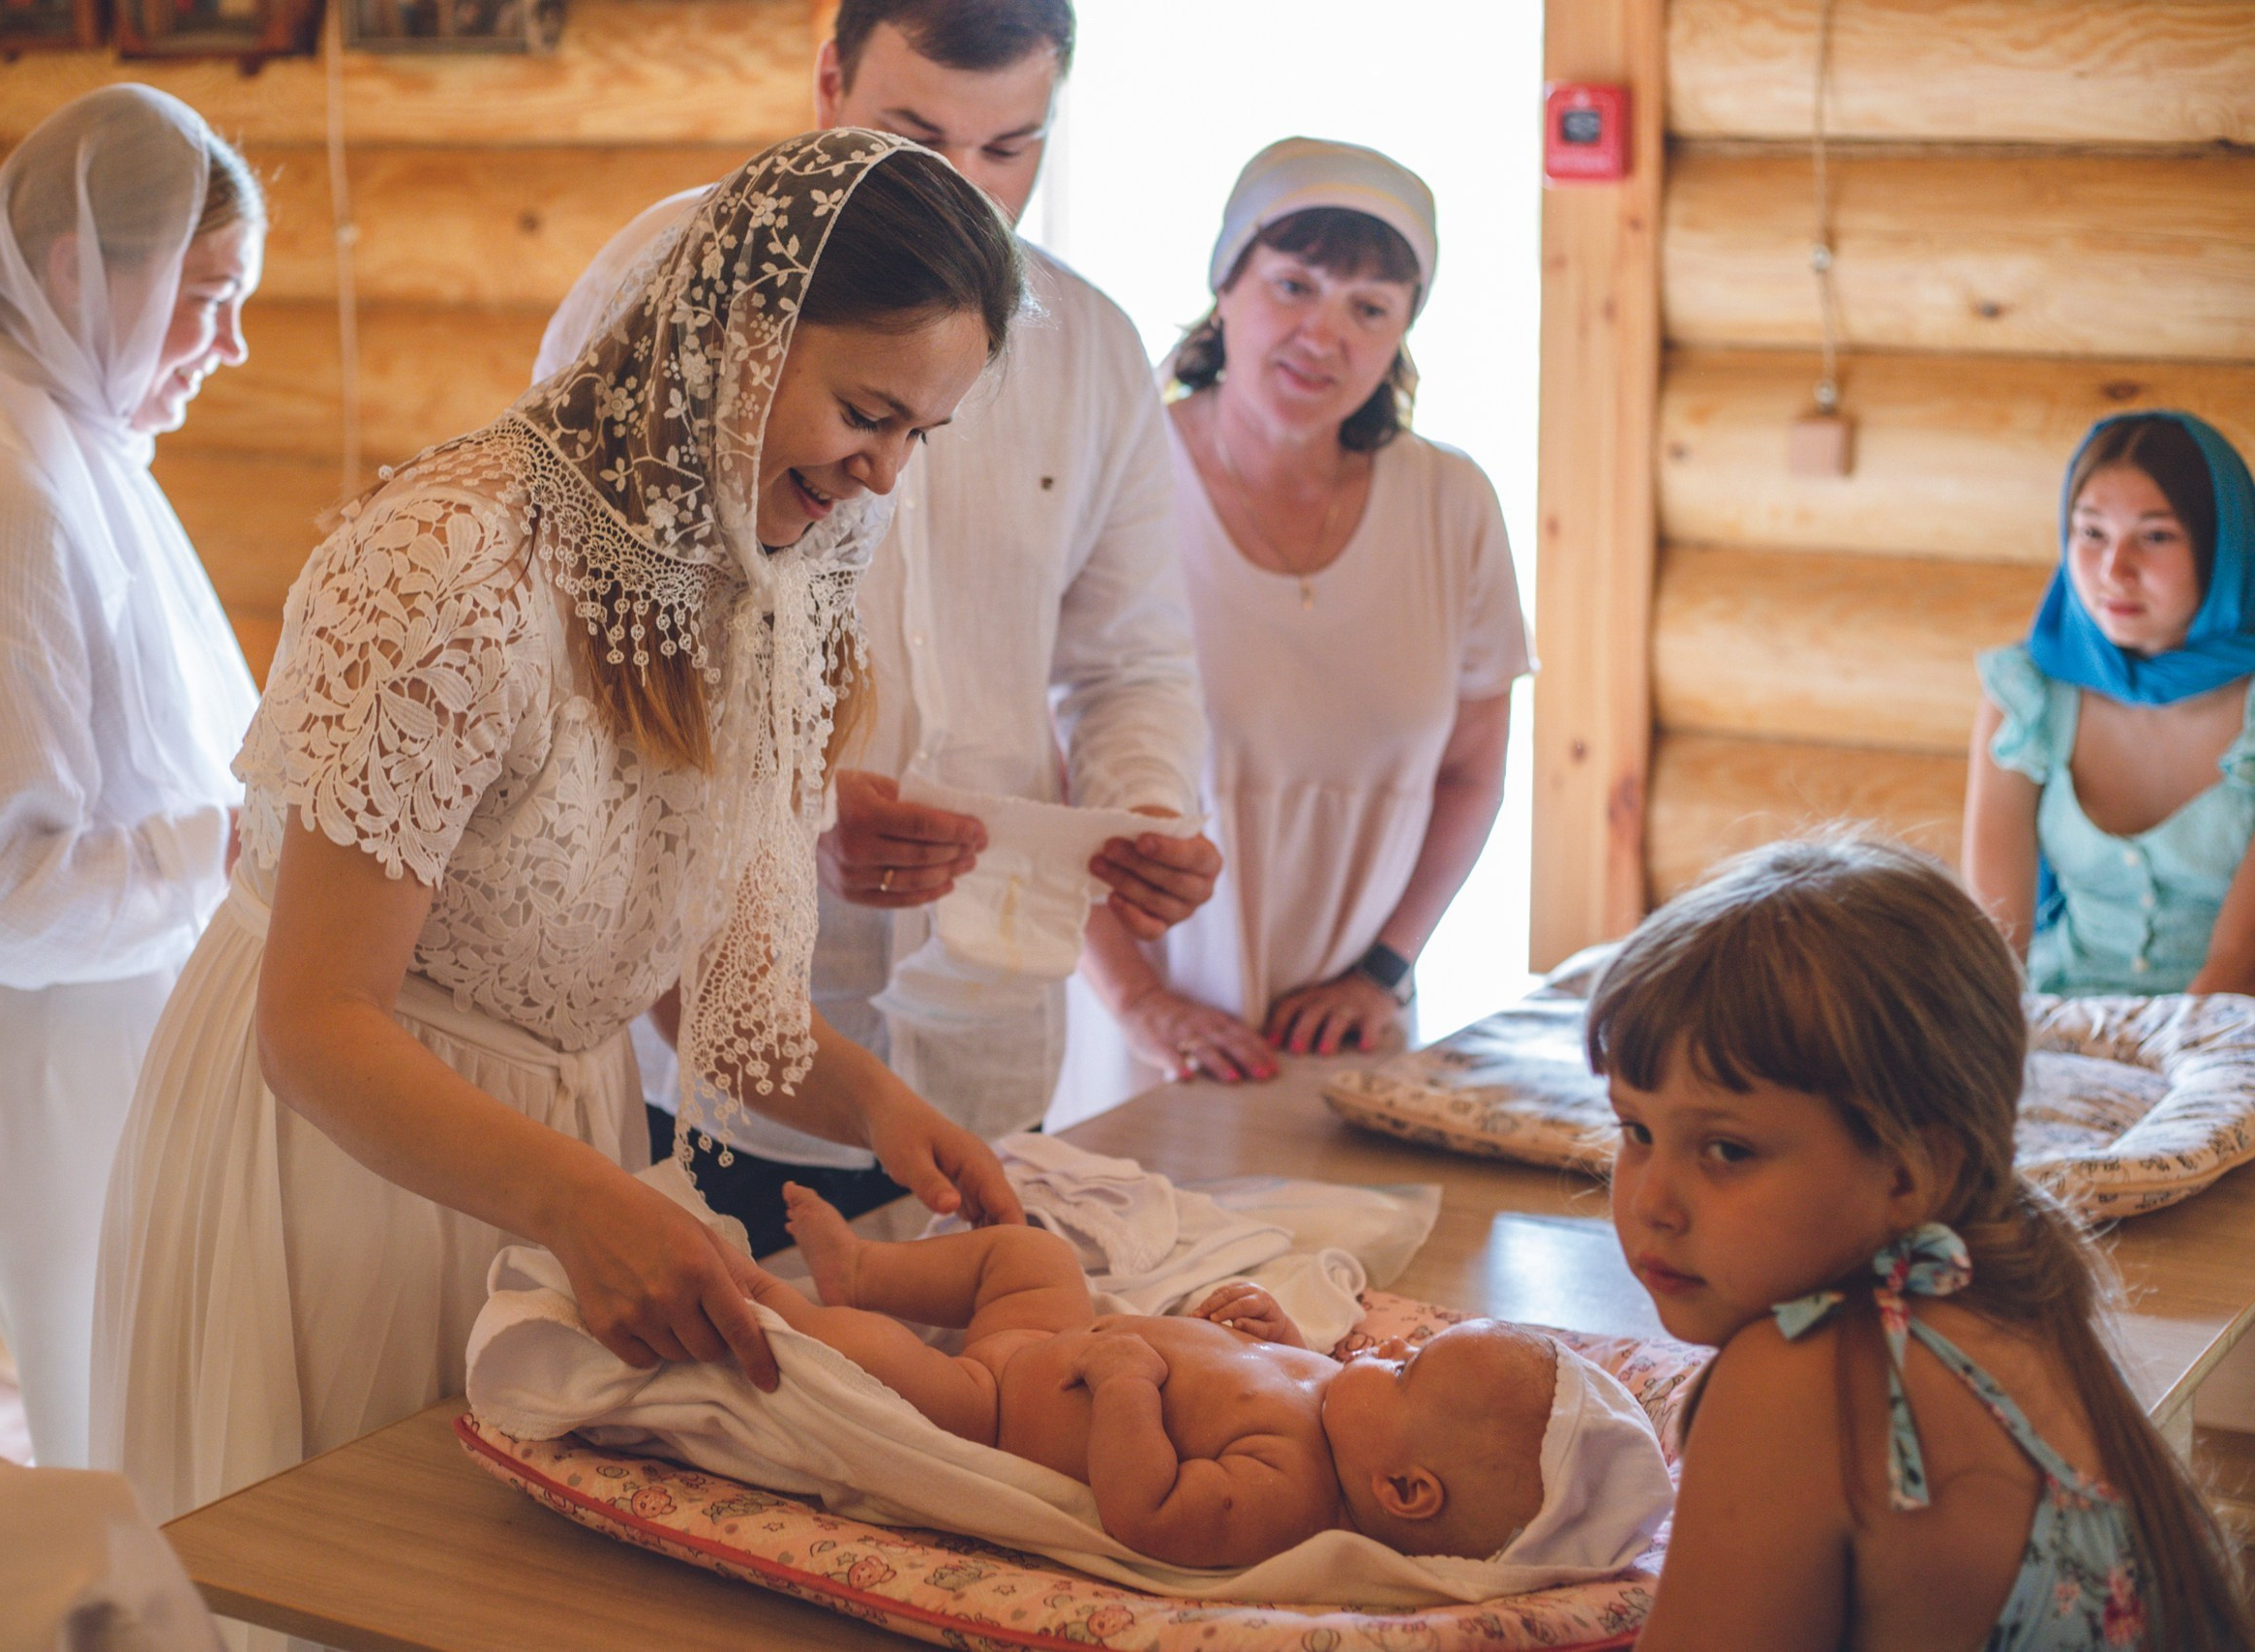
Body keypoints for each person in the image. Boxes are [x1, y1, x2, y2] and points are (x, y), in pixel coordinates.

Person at [91, 132, 1029, 1522]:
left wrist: (879, 1109)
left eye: (918, 436)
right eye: (868, 411)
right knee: (351, 1568)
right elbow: (314, 1022)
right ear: (743, 336)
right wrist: (581, 1203)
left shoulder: (768, 570)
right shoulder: (456, 563)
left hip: (563, 1150)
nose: (885, 474)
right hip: (339, 1151)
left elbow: (647, 953)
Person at [534, 0, 1218, 1252]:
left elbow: (1131, 659)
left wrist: (1148, 808)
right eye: (916, 136)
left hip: (988, 1032)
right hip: (695, 1042)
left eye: (1010, 149)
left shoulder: (1099, 352)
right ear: (829, 84)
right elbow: (585, 648)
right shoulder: (667, 284)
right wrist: (793, 811)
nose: (963, 192)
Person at [0, 85, 263, 1466]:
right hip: (65, 1069)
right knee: (122, 1457)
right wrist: (222, 846)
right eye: (208, 294)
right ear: (86, 269)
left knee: (182, 1454)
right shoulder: (2, 496)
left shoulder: (82, 461)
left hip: (134, 1047)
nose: (232, 341)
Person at [1596, 835, 2252, 1651]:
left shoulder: (1799, 1381)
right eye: (1636, 1129)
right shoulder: (2013, 1299)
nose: (1652, 1200)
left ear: (1915, 1169)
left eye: (1728, 1149)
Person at [1082, 138, 1528, 1087]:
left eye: (1369, 309)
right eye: (1292, 286)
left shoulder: (1452, 504)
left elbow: (1470, 774)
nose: (1324, 335)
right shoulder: (1120, 474)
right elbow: (1038, 776)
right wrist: (1140, 1004)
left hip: (1348, 1044)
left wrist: (1381, 973)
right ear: (1226, 288)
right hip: (1133, 1042)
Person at [754, 1184, 1577, 1569]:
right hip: (1059, 1334)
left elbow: (1148, 1510)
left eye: (1404, 1371)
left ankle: (763, 1302)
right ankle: (867, 1268)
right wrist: (1273, 1330)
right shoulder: (1334, 1401)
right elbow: (1268, 1368)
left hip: (994, 1406)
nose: (1383, 1351)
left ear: (1402, 1488)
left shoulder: (1289, 1492)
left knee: (875, 1360)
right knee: (1030, 1251)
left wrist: (1124, 1389)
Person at [1964, 411, 2255, 995]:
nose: (2113, 571)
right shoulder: (2027, 696)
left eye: (2156, 536)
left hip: (2229, 1038)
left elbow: (2234, 969)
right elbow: (1995, 943)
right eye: (2091, 533)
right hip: (2060, 1013)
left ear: (2225, 546)